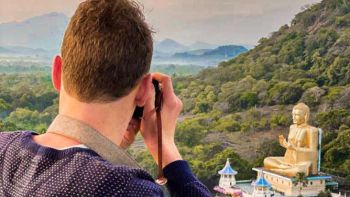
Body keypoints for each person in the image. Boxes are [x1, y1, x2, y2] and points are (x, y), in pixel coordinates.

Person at [0, 0, 212, 196]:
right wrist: (166, 149)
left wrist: (106, 150)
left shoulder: (4, 149)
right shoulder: (126, 188)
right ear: (143, 91)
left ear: (57, 72)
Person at [263, 103, 319, 177]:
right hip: (288, 160)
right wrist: (284, 144)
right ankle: (282, 168)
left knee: (299, 171)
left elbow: (313, 151)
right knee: (267, 160)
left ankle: (279, 170)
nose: (293, 117)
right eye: (293, 115)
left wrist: (295, 148)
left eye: (297, 115)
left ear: (305, 116)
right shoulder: (292, 127)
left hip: (300, 162)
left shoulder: (312, 130)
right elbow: (289, 145)